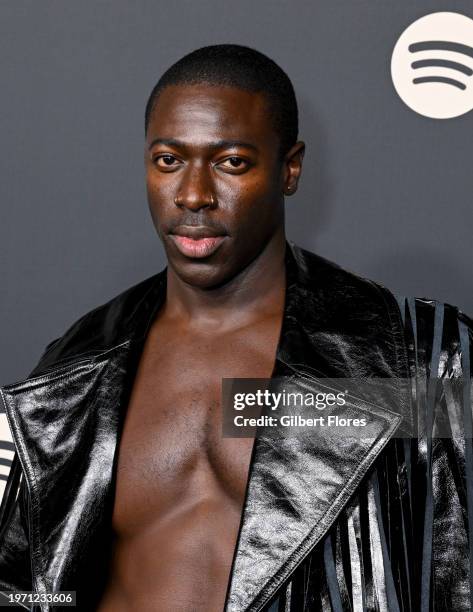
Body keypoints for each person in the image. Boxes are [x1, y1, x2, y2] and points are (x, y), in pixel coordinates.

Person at [0, 44, 472, 612]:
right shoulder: (74, 370)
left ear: (289, 168)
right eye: (169, 160)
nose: (194, 195)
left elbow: (455, 563)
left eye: (231, 163)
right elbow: (24, 585)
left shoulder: (414, 355)